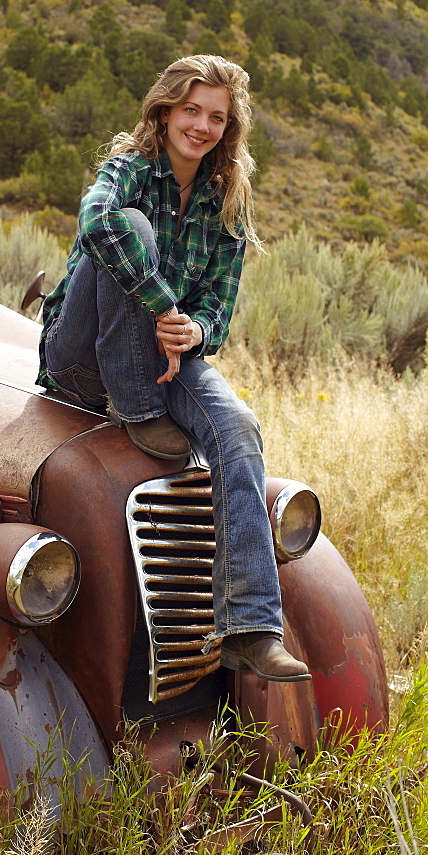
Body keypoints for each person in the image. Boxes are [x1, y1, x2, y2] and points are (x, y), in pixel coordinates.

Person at [36, 55, 310, 683]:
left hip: (165, 356)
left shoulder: (226, 204)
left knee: (237, 428)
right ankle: (134, 407)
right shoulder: (128, 170)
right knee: (129, 225)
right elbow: (98, 223)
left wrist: (197, 329)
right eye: (191, 109)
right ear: (165, 111)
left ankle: (251, 628)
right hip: (81, 359)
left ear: (229, 128)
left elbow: (219, 307)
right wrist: (164, 303)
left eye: (217, 116)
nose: (202, 125)